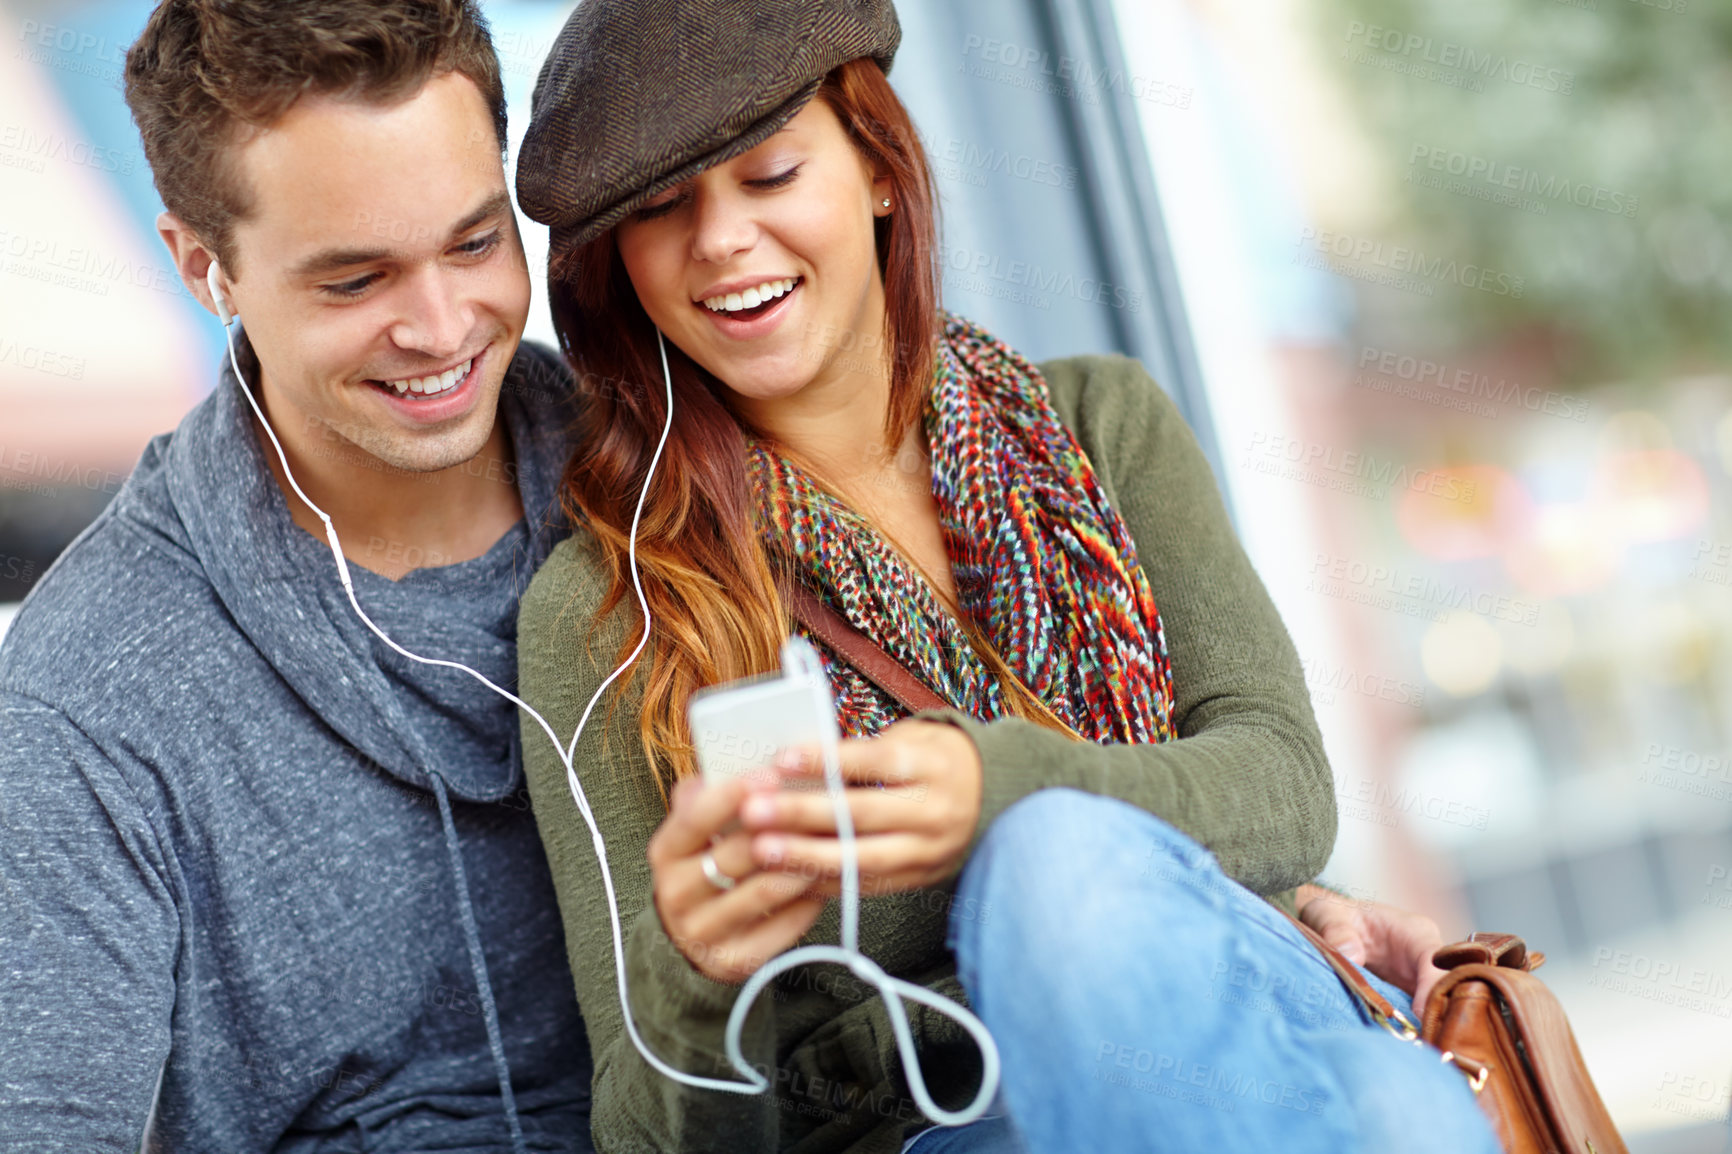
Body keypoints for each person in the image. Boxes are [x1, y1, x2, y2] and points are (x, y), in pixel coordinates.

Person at [508, 2, 1503, 1153]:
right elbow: (646, 1137)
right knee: (1395, 1108)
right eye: (661, 207)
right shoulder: (605, 609)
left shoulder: (1100, 422)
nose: (721, 239)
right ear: (617, 264)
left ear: (880, 172)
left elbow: (1284, 787)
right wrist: (696, 973)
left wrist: (1003, 789)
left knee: (1054, 856)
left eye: (771, 174)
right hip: (944, 1122)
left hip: (1232, 995)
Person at [0, 2, 595, 1149]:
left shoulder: (665, 481)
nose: (441, 325)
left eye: (475, 243)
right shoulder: (85, 703)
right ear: (203, 267)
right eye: (355, 280)